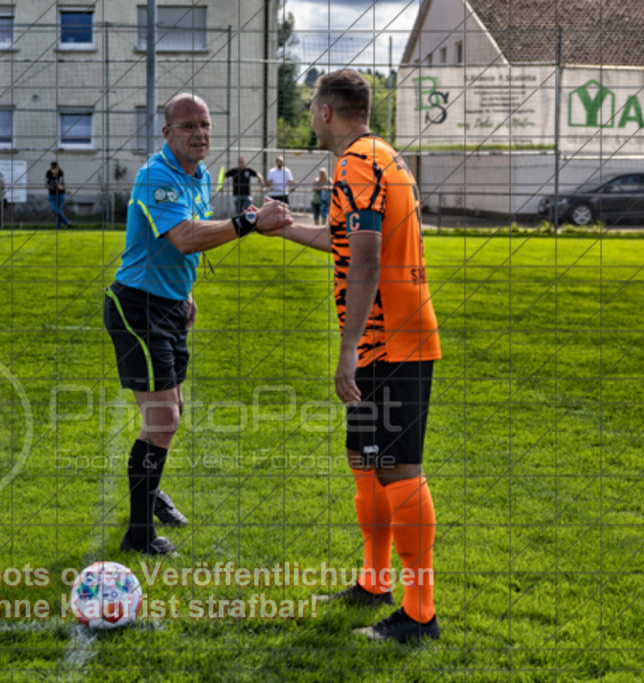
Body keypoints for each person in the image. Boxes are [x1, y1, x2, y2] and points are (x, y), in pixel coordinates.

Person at [257, 68, 441, 644]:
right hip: (391, 337)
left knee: (397, 468)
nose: (311, 116)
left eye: (312, 107)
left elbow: (364, 261)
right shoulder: (381, 155)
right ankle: (373, 581)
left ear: (326, 111)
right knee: (367, 462)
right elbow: (345, 239)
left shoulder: (357, 164)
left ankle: (419, 614)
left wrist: (348, 351)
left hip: (390, 341)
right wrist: (287, 231)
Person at [104, 93, 292, 556]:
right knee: (162, 417)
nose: (200, 133)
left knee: (171, 414)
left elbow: (186, 238)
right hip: (138, 307)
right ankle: (138, 533)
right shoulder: (156, 177)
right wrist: (250, 220)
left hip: (168, 306)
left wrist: (186, 293)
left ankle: (150, 493)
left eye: (205, 125)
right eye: (188, 126)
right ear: (167, 133)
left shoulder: (200, 176)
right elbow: (185, 237)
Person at [45, 161, 72, 229]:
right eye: (53, 169)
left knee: (59, 211)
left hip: (61, 194)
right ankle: (67, 222)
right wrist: (55, 186)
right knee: (54, 210)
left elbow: (59, 184)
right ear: (51, 169)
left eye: (56, 169)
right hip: (52, 194)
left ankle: (57, 227)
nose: (54, 170)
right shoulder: (48, 173)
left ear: (58, 168)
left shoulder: (60, 173)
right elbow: (47, 184)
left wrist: (55, 185)